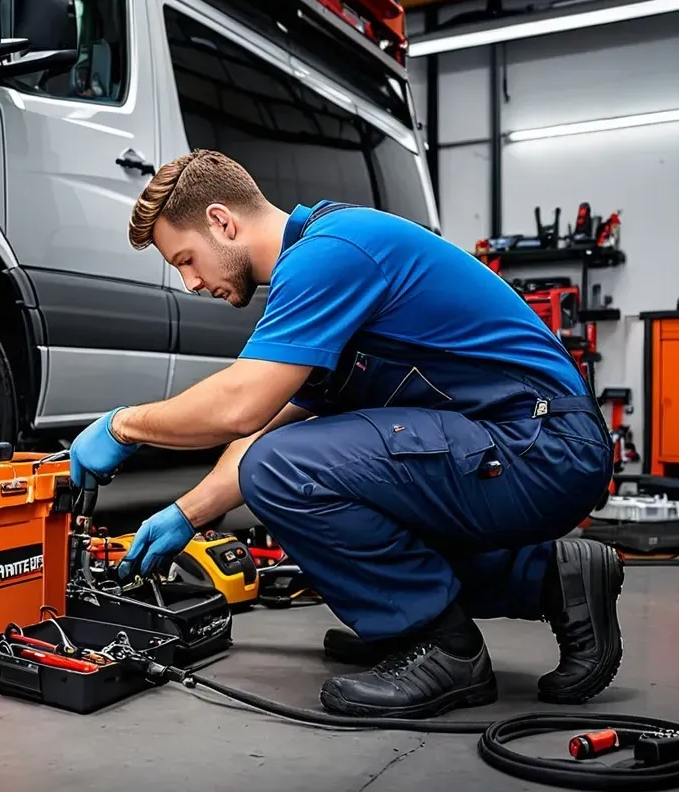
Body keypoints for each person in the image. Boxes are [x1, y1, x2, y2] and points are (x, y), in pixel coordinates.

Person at [68, 149, 623, 719]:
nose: (189, 283)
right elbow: (264, 428)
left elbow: (240, 408)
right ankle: (550, 580)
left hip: (543, 447)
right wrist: (184, 514)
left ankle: (438, 647)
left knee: (284, 472)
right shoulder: (324, 258)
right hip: (520, 446)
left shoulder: (330, 254)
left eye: (186, 260)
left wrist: (123, 425)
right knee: (289, 473)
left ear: (221, 221)